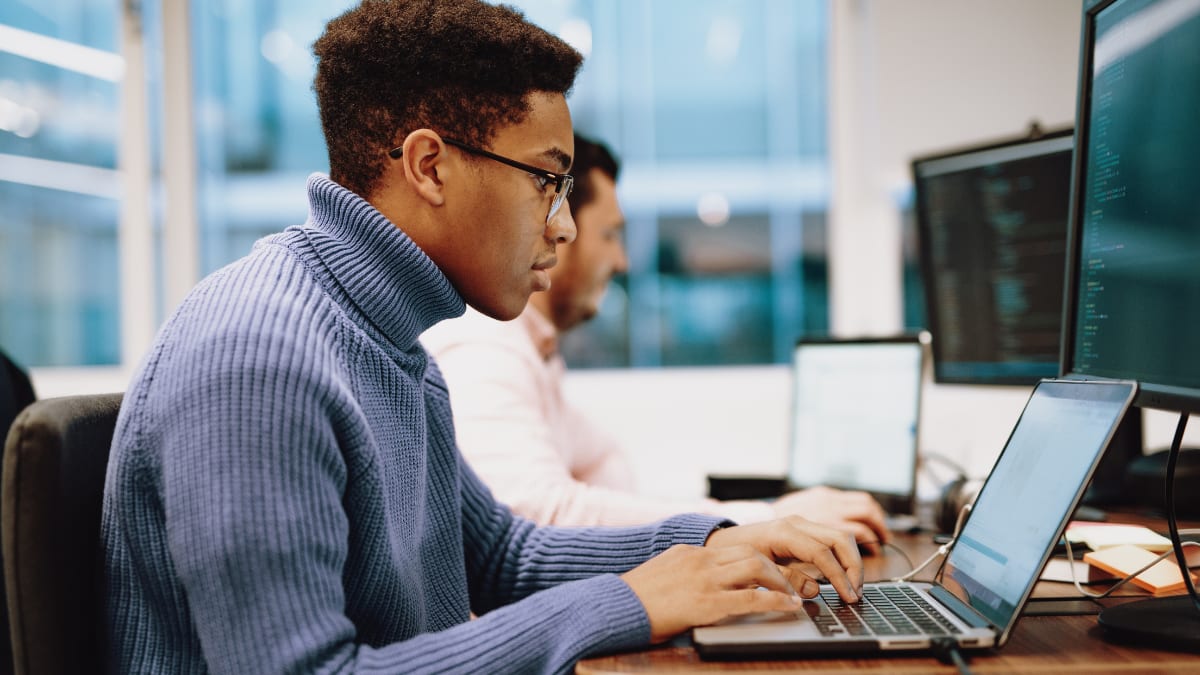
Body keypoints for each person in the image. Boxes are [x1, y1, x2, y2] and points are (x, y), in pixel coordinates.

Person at [101, 2, 863, 672]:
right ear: (430, 166)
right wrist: (632, 599)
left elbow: (502, 553)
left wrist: (718, 540)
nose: (563, 226)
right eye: (546, 180)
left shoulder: (392, 342)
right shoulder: (260, 360)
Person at [422, 134, 892, 550]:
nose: (622, 261)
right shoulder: (484, 347)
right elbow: (539, 517)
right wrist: (765, 520)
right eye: (610, 235)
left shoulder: (532, 346)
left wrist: (751, 517)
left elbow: (606, 467)